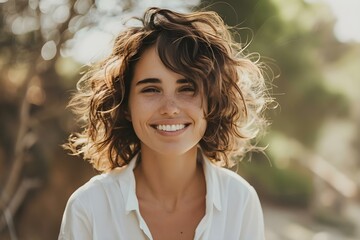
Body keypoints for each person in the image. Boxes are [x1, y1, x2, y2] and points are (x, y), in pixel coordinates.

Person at [59, 7, 271, 240]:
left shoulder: (240, 202)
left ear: (212, 102)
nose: (170, 108)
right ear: (126, 105)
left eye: (187, 89)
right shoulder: (88, 207)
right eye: (151, 89)